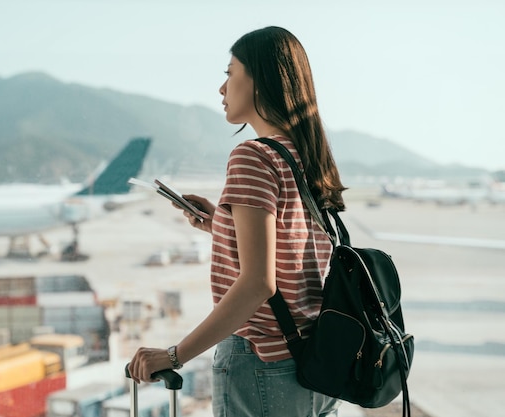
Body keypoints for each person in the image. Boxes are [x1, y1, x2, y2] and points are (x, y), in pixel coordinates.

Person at [128, 26, 346, 417]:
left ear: (260, 81)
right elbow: (294, 248)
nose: (221, 88)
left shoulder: (253, 156)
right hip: (315, 363)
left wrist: (174, 355)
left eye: (230, 73)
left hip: (262, 365)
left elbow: (258, 284)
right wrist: (222, 226)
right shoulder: (306, 155)